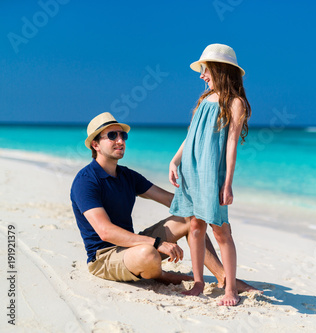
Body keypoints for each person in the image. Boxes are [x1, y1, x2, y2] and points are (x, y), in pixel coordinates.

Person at [70, 112, 258, 293]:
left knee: (188, 218)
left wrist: (210, 206)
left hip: (131, 247)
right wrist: (157, 243)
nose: (120, 141)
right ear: (95, 144)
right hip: (104, 257)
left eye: (123, 135)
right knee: (148, 254)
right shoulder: (86, 181)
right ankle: (163, 275)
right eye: (112, 135)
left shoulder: (127, 175)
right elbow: (105, 232)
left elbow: (171, 200)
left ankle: (223, 277)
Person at [169, 43, 251, 306]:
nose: (202, 75)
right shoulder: (204, 100)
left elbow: (230, 146)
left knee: (220, 230)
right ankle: (199, 282)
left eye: (206, 69)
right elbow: (191, 135)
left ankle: (230, 288)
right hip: (191, 168)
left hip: (211, 171)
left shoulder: (234, 102)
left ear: (220, 70)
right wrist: (175, 160)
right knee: (194, 226)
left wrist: (227, 183)